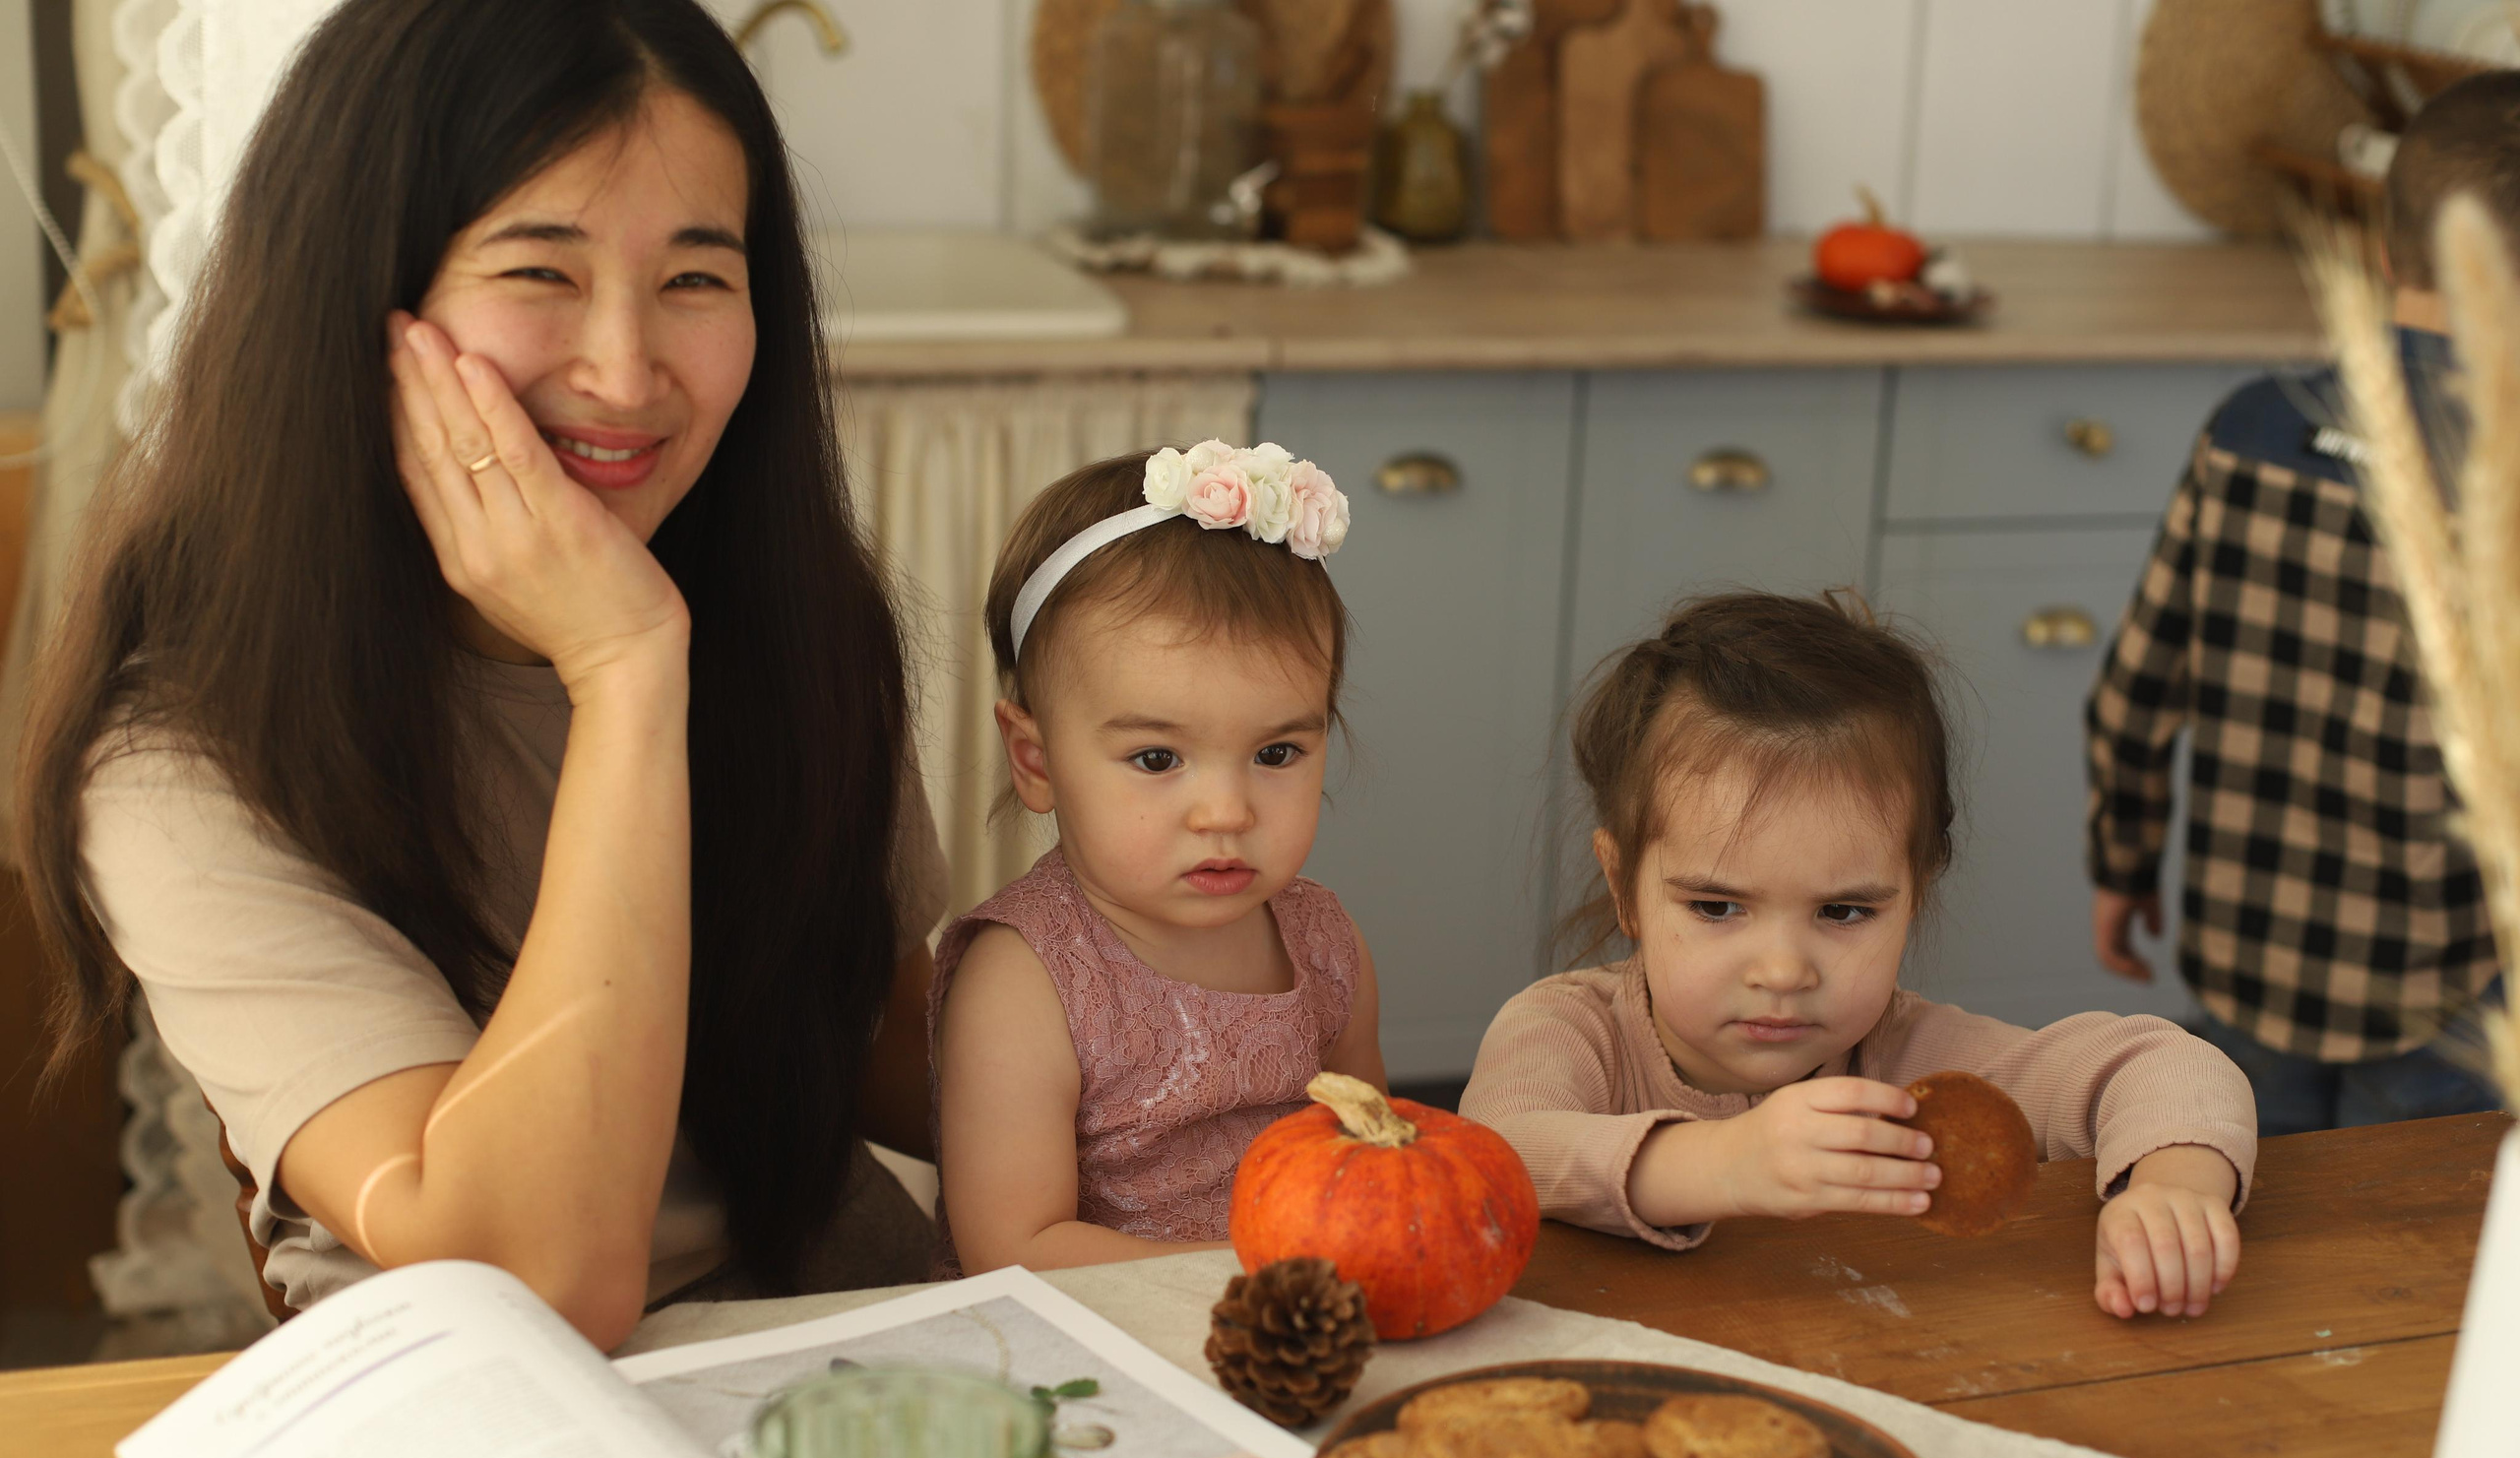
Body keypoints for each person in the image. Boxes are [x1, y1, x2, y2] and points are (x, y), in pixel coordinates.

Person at [16, 0, 945, 1350]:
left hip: (847, 1339)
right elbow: (536, 1274)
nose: (626, 373)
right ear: (358, 302)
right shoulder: (181, 750)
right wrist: (626, 669)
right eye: (538, 272)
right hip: (485, 1408)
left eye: (696, 277)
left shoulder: (793, 617)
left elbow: (892, 1050)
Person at [1462, 591, 2256, 1320]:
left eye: (1843, 910)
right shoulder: (1566, 1030)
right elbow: (1495, 1158)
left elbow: (2166, 1065)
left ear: (1914, 893)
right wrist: (1724, 1164)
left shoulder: (1919, 1063)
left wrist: (2172, 1188)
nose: (1782, 970)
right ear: (1624, 885)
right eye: (1716, 906)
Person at [2083, 74, 2520, 1135]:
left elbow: (2134, 689)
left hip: (2246, 951)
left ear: (2379, 244)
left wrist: (2122, 860)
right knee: (2399, 1259)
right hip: (2440, 986)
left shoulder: (2246, 428)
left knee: (2247, 1218)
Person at [929, 443, 1384, 1275]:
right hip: (1090, 1350)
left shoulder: (1325, 944)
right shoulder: (1026, 981)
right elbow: (1012, 1249)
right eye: (1156, 759)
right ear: (1037, 762)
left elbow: (1371, 1160)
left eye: (1277, 753)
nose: (1226, 813)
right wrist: (1268, 1264)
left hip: (1297, 1332)